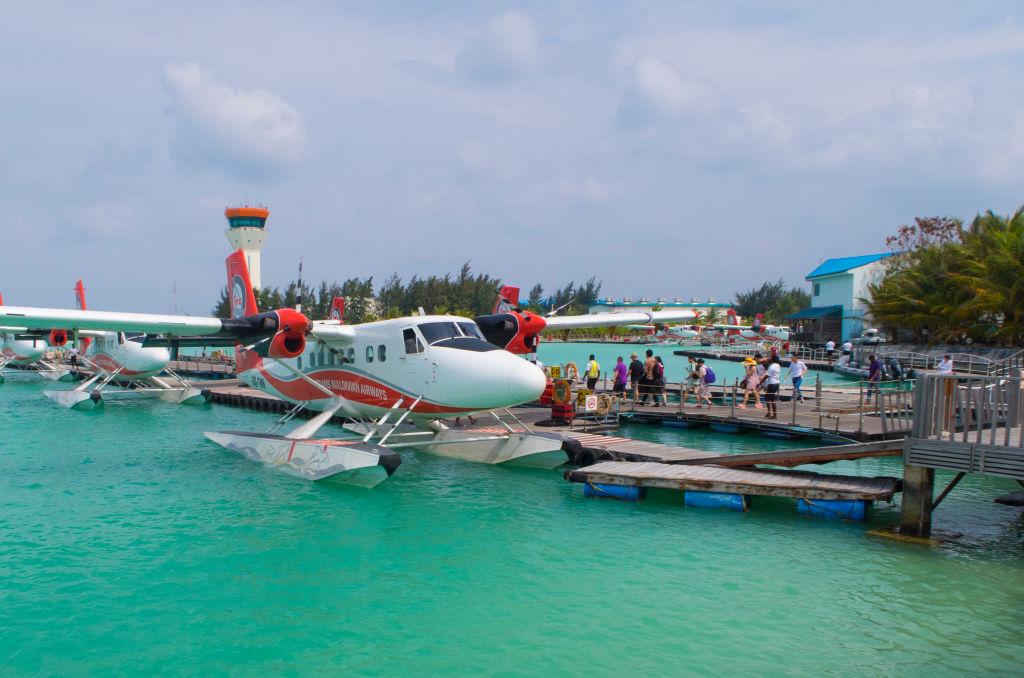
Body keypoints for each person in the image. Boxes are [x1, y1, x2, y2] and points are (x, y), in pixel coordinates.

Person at [760, 355, 782, 419]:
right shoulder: (778, 365)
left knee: (772, 399)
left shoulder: (771, 367)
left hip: (772, 384)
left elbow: (767, 376)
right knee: (767, 397)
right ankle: (769, 413)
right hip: (776, 383)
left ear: (772, 360)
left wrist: (760, 383)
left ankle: (774, 415)